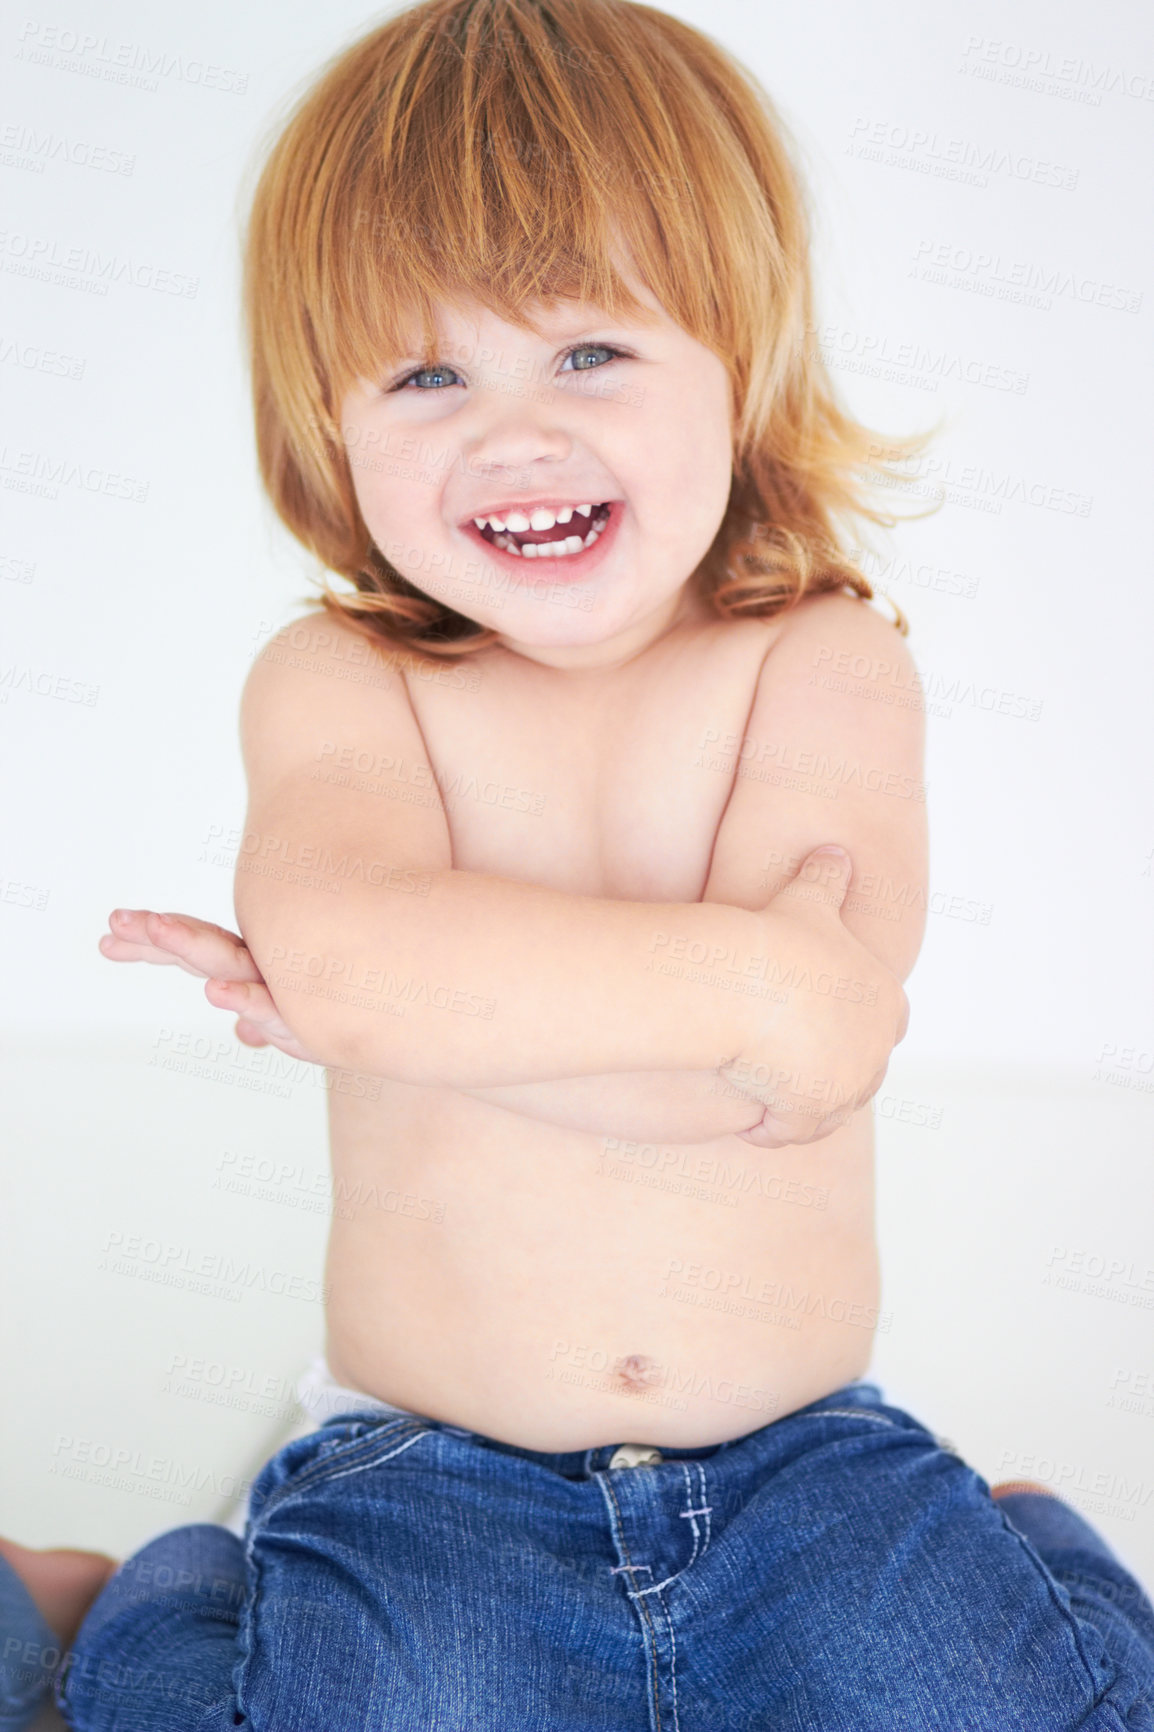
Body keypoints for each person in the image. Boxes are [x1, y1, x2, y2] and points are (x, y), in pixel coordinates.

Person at [5, 0, 1152, 1725]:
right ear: (327, 423)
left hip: (799, 1457)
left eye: (589, 352)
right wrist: (748, 987)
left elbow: (800, 1055)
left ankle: (1024, 1538)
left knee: (1018, 1704)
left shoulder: (818, 656)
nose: (511, 432)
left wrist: (409, 1000)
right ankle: (148, 1596)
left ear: (740, 357)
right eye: (426, 373)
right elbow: (762, 1033)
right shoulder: (343, 679)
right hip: (428, 1465)